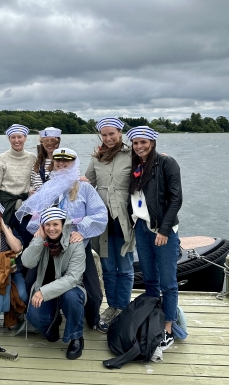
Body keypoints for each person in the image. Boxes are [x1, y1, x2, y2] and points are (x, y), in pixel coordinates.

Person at [17, 147, 107, 330]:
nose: (62, 164)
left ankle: (93, 319)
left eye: (66, 161)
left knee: (94, 291)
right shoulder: (47, 188)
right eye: (58, 161)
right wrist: (39, 230)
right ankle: (37, 315)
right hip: (48, 246)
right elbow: (36, 217)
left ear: (74, 163)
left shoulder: (85, 188)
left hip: (76, 244)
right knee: (30, 281)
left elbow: (100, 214)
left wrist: (81, 231)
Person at [127, 126, 182, 350]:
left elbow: (176, 198)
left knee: (168, 282)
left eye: (144, 142)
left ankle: (168, 327)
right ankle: (152, 318)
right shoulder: (135, 165)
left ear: (152, 142)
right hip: (141, 227)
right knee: (150, 279)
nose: (139, 146)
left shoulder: (166, 163)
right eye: (135, 143)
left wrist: (164, 230)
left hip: (162, 228)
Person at [85, 117, 135, 332]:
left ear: (120, 133)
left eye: (112, 134)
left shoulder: (132, 154)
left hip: (125, 216)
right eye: (104, 135)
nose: (108, 138)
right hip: (102, 217)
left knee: (125, 267)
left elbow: (150, 167)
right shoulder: (97, 158)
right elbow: (87, 183)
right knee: (107, 267)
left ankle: (122, 306)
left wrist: (162, 158)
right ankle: (112, 306)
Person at [22, 207, 86, 360]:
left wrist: (43, 292)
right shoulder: (40, 240)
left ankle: (76, 336)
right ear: (42, 226)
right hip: (44, 288)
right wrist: (38, 240)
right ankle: (53, 323)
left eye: (56, 224)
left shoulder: (75, 243)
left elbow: (72, 278)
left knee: (71, 298)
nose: (51, 228)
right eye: (47, 224)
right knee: (34, 316)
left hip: (70, 289)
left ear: (63, 225)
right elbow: (27, 262)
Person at [0, 123, 37, 245]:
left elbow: (35, 180)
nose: (16, 140)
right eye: (13, 137)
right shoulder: (1, 159)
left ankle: (26, 257)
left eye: (19, 137)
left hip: (25, 206)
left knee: (29, 237)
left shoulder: (32, 158)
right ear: (9, 139)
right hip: (5, 205)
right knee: (3, 239)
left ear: (25, 138)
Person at [29, 126, 61, 194]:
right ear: (42, 143)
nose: (50, 144)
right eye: (46, 141)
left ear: (58, 142)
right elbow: (32, 184)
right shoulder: (37, 163)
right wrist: (31, 191)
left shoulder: (64, 162)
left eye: (53, 141)